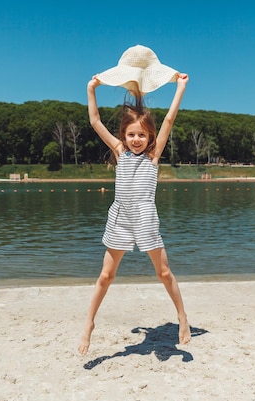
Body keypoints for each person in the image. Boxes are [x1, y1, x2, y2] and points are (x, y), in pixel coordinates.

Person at [78, 48, 191, 355]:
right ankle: (89, 322)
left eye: (142, 134)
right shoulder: (120, 153)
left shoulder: (153, 157)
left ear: (149, 136)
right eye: (131, 135)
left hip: (145, 217)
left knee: (164, 273)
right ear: (124, 137)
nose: (137, 139)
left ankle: (182, 318)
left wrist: (179, 88)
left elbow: (168, 119)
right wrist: (92, 89)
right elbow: (94, 120)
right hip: (120, 217)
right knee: (106, 275)